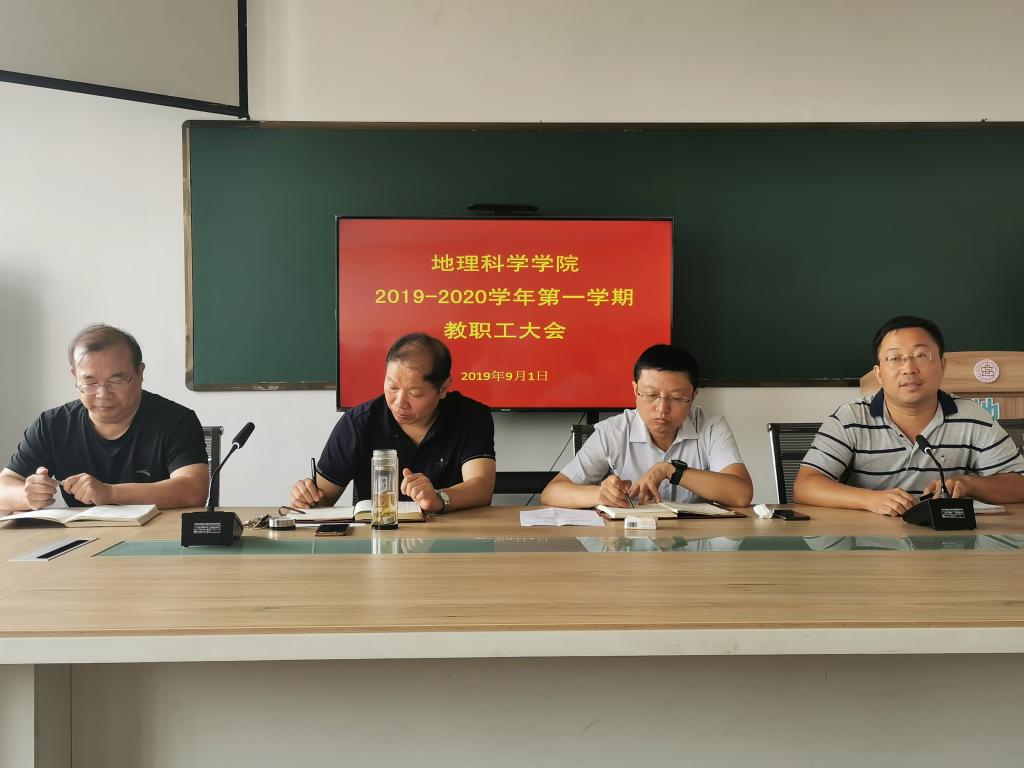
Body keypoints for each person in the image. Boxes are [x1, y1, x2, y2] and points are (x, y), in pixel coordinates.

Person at [794, 315, 1024, 516]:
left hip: (949, 543)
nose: (909, 368)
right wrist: (870, 500)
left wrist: (968, 484)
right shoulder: (850, 418)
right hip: (871, 543)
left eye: (921, 355)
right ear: (879, 373)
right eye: (895, 358)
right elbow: (805, 485)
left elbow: (1019, 483)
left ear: (942, 366)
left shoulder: (973, 417)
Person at [0, 324, 210, 512]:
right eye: (90, 383)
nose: (103, 394)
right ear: (75, 376)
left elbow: (193, 490)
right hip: (84, 539)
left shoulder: (177, 421)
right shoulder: (52, 425)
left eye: (116, 381)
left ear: (140, 372)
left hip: (158, 537)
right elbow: (4, 486)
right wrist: (27, 496)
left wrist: (110, 493)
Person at [290, 333, 496, 513]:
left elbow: (481, 487)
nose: (399, 403)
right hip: (376, 537)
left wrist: (438, 498)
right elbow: (322, 498)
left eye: (415, 393)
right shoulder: (358, 423)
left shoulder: (471, 417)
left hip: (452, 539)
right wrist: (307, 497)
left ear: (443, 388)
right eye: (393, 387)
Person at [540, 344, 753, 509]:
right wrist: (600, 494)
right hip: (628, 544)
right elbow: (551, 493)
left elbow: (741, 495)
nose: (662, 409)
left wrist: (671, 471)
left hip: (694, 542)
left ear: (693, 396)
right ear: (635, 391)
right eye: (651, 395)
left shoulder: (711, 426)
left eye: (677, 397)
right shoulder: (612, 432)